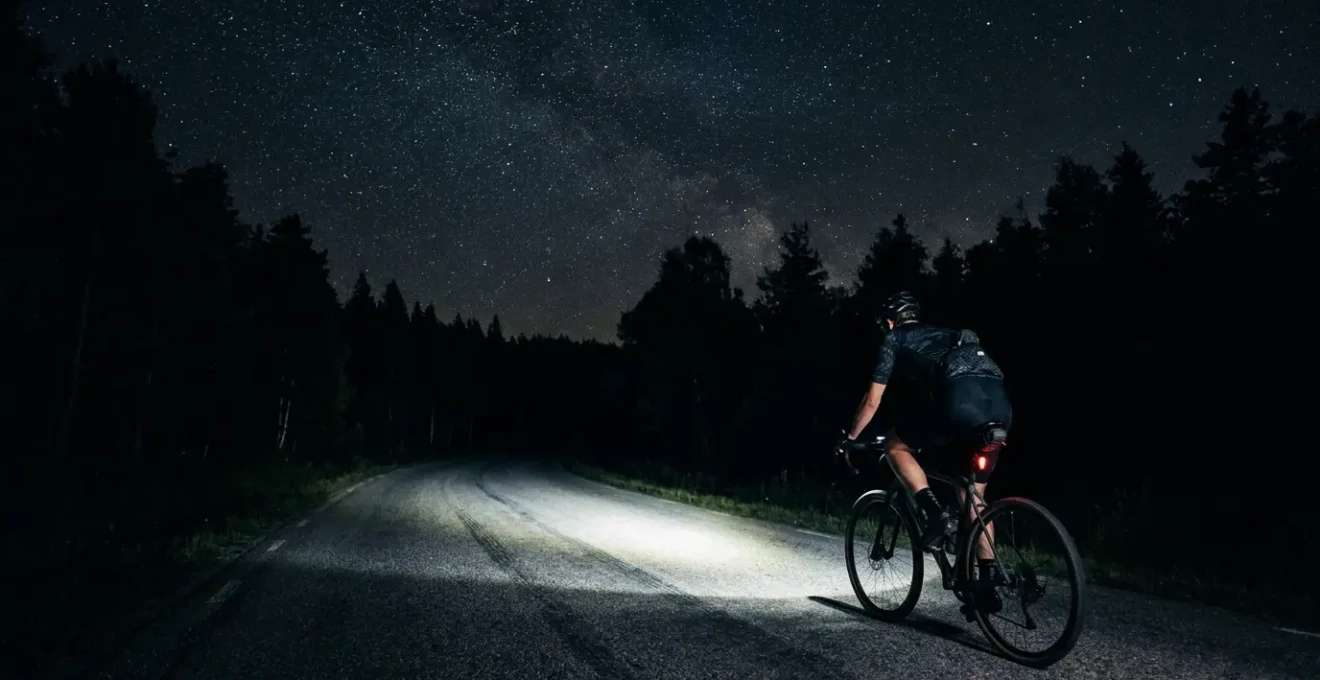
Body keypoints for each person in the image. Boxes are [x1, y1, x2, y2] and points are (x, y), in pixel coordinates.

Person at [835, 290, 1012, 608]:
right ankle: (985, 583)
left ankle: (934, 513)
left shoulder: (895, 338)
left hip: (961, 400)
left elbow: (872, 400)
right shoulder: (947, 334)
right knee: (972, 495)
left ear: (890, 321)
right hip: (999, 405)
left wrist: (850, 436)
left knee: (894, 445)